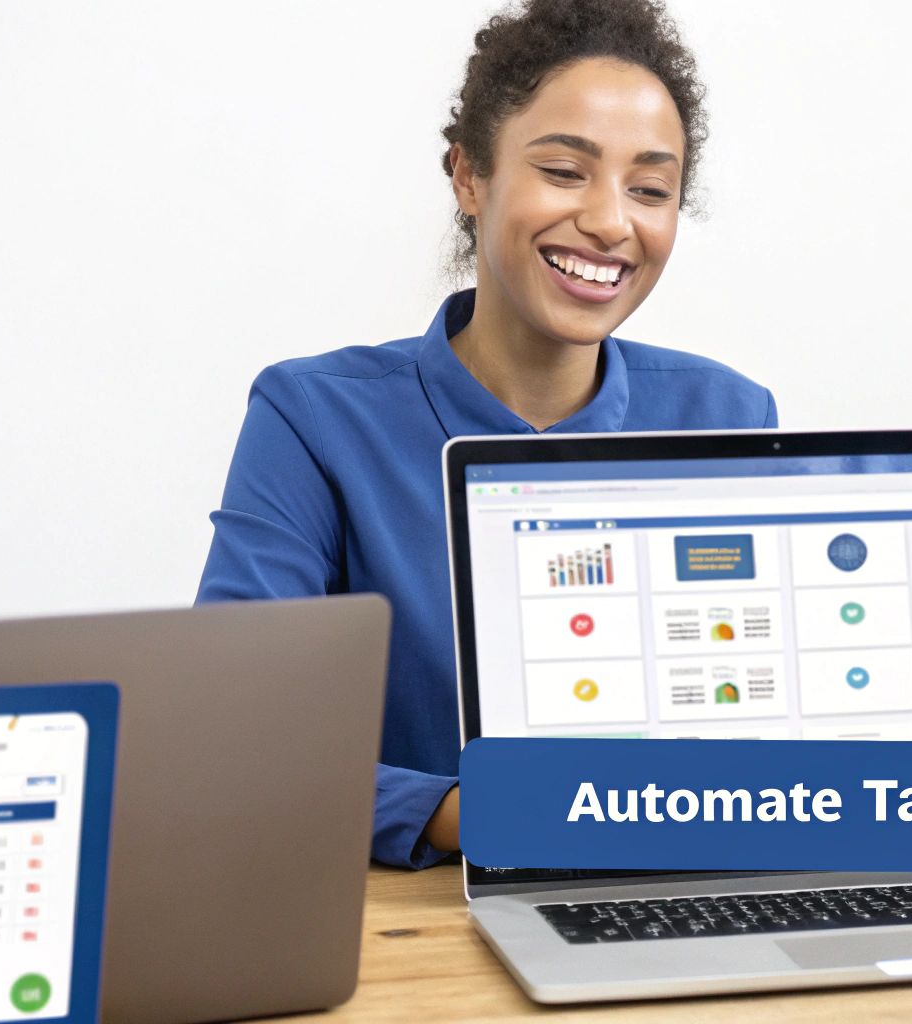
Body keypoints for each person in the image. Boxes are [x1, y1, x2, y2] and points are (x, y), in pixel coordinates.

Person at [196, 0, 775, 869]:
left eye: (650, 189)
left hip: (682, 895)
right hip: (421, 927)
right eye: (565, 171)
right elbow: (232, 733)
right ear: (469, 176)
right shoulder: (313, 417)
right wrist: (477, 815)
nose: (613, 223)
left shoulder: (730, 418)